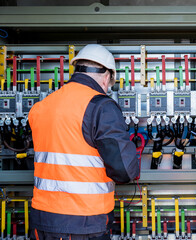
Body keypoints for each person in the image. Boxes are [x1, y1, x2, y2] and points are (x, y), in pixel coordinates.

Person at [28, 44, 139, 240]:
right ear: (106, 77)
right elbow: (125, 171)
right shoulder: (101, 106)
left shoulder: (41, 106)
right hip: (82, 222)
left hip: (42, 219)